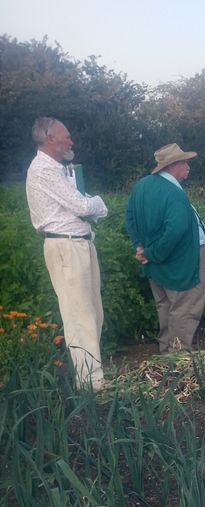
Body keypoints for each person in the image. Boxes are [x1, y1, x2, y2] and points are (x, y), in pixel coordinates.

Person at [25, 117, 109, 390]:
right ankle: (91, 385)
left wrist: (89, 205)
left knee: (93, 313)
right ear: (50, 139)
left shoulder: (59, 169)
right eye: (66, 136)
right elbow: (81, 205)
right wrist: (96, 202)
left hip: (79, 243)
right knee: (79, 316)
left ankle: (94, 378)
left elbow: (80, 206)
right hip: (66, 246)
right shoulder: (43, 170)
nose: (71, 141)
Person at [126, 143, 205, 353]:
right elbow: (176, 230)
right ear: (172, 165)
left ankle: (165, 353)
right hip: (182, 260)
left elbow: (131, 218)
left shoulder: (142, 186)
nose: (188, 167)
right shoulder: (174, 193)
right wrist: (152, 253)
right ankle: (178, 362)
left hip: (156, 261)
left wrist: (141, 247)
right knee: (185, 307)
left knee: (165, 305)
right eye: (184, 162)